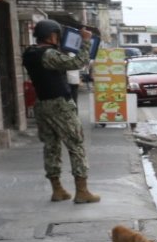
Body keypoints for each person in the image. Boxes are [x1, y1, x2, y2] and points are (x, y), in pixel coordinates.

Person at [21, 19, 100, 203]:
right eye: (57, 35)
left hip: (42, 105)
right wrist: (86, 41)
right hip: (60, 106)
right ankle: (82, 191)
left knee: (51, 147)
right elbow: (78, 62)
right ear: (52, 35)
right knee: (76, 145)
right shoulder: (48, 54)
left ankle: (57, 190)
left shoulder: (30, 53)